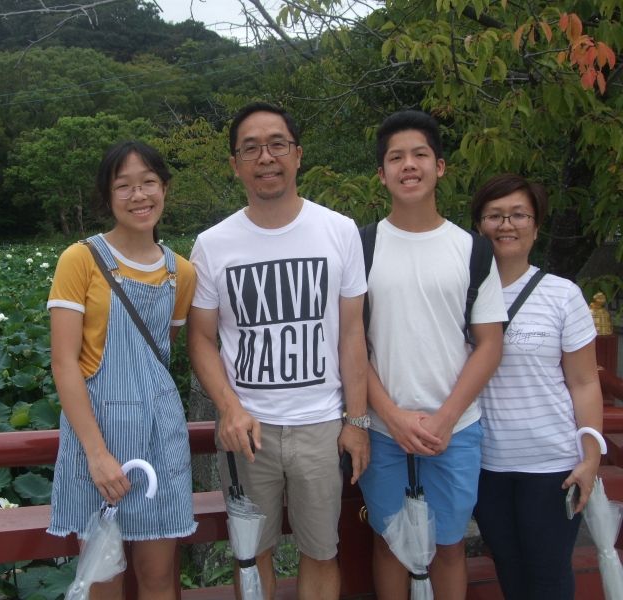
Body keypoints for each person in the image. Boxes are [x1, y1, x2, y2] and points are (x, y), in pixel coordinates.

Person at [187, 101, 370, 600]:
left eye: (276, 145)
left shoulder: (340, 230)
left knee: (322, 550)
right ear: (235, 164)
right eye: (250, 148)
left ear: (297, 154)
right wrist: (228, 407)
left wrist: (357, 422)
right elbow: (200, 339)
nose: (265, 157)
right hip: (250, 429)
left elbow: (352, 334)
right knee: (251, 553)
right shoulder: (213, 243)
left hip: (321, 425)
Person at [356, 110, 507, 600]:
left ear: (440, 166)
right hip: (383, 430)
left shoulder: (473, 251)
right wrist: (393, 416)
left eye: (420, 154)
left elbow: (489, 343)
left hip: (457, 429)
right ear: (381, 174)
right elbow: (352, 344)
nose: (409, 165)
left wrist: (445, 417)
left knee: (448, 546)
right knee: (389, 544)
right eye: (395, 158)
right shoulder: (362, 248)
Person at [46, 140, 197, 599]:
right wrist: (96, 453)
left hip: (159, 436)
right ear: (108, 197)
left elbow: (159, 357)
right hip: (98, 436)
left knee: (158, 577)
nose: (139, 196)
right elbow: (64, 363)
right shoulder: (80, 260)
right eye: (124, 186)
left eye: (149, 182)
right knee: (102, 579)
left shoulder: (182, 273)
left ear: (165, 188)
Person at [471, 173, 603, 600]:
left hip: (551, 466)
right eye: (494, 215)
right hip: (486, 463)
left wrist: (591, 456)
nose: (506, 225)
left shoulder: (563, 295)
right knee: (510, 571)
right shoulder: (463, 293)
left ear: (536, 225)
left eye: (518, 215)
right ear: (479, 225)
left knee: (548, 578)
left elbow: (583, 382)